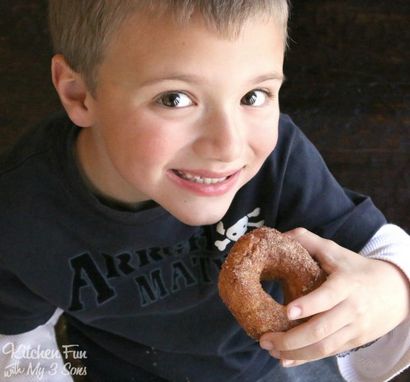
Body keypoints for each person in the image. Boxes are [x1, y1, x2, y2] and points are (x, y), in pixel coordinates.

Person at [0, 1, 409, 381]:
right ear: (79, 93)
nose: (229, 146)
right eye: (175, 99)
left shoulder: (279, 159)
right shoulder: (25, 209)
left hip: (265, 367)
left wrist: (393, 288)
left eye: (254, 95)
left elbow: (373, 247)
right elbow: (14, 339)